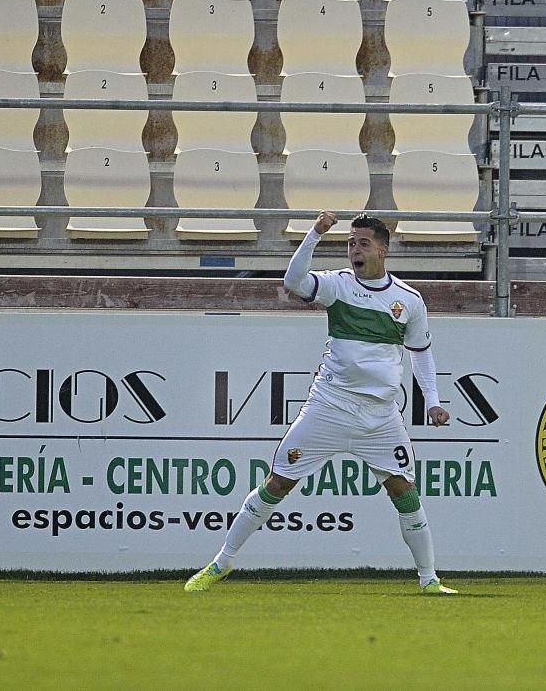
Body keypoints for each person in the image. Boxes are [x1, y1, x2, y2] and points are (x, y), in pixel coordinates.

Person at [185, 211, 457, 594]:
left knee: (404, 490)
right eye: (350, 243)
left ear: (383, 249)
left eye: (363, 243)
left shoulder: (408, 300)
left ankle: (429, 580)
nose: (354, 250)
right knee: (278, 482)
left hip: (379, 417)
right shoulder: (338, 286)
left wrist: (433, 401)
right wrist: (315, 233)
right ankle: (221, 563)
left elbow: (421, 352)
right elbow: (293, 281)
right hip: (329, 406)